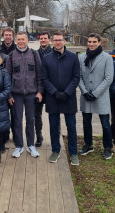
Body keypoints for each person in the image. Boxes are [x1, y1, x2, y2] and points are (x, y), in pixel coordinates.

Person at [41, 31, 80, 165]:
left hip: (69, 97)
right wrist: (55, 92)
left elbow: (76, 77)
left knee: (71, 126)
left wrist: (67, 92)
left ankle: (73, 153)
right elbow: (44, 78)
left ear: (64, 41)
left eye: (60, 40)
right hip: (53, 97)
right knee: (53, 126)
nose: (58, 42)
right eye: (55, 40)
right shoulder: (46, 58)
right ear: (52, 41)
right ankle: (55, 150)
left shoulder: (73, 57)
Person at [6, 31, 43, 159]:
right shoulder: (11, 55)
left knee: (30, 120)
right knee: (17, 120)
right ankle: (19, 145)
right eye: (19, 39)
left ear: (27, 40)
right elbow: (7, 76)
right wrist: (9, 94)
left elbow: (39, 74)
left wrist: (39, 91)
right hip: (16, 94)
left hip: (31, 93)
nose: (21, 41)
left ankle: (31, 145)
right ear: (16, 40)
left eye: (23, 39)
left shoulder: (34, 54)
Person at [78, 33, 114, 159]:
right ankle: (88, 145)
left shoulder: (107, 58)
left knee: (105, 124)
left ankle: (108, 147)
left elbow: (108, 78)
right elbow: (79, 77)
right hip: (86, 95)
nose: (91, 44)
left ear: (99, 42)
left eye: (94, 42)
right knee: (86, 122)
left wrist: (96, 93)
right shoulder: (82, 57)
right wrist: (84, 91)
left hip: (101, 96)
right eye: (89, 41)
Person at [35, 31, 53, 147]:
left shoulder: (53, 53)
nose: (43, 40)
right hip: (38, 88)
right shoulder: (35, 53)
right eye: (41, 38)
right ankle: (39, 135)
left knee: (53, 114)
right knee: (37, 114)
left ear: (49, 40)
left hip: (51, 88)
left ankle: (54, 136)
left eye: (45, 38)